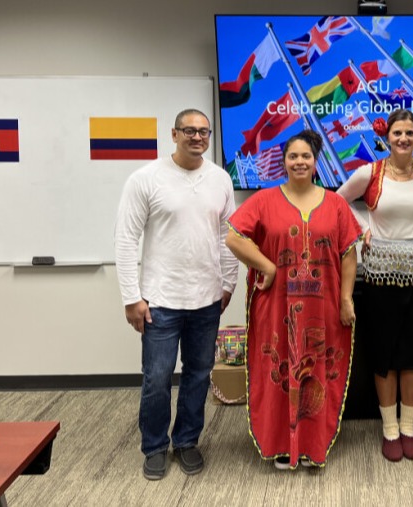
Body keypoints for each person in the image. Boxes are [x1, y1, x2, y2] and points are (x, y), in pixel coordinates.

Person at [225, 130, 362, 470]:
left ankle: (313, 444)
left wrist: (346, 299)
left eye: (306, 156)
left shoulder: (336, 203)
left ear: (316, 162)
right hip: (275, 306)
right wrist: (266, 266)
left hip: (323, 306)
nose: (299, 162)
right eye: (293, 156)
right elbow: (233, 237)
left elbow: (348, 254)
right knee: (278, 367)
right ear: (283, 161)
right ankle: (282, 443)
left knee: (318, 368)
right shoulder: (263, 200)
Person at [114, 109, 238, 480]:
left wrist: (228, 283)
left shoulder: (220, 179)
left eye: (204, 132)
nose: (197, 137)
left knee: (198, 376)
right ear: (174, 134)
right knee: (156, 377)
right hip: (160, 301)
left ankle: (186, 441)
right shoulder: (145, 178)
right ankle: (154, 446)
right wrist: (130, 297)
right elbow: (125, 239)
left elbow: (227, 236)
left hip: (206, 300)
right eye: (189, 131)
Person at [336, 109, 413, 462]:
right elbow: (338, 202)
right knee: (384, 352)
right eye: (397, 133)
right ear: (388, 137)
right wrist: (362, 227)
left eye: (409, 133)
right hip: (380, 274)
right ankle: (389, 429)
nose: (403, 139)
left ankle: (409, 428)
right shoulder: (369, 173)